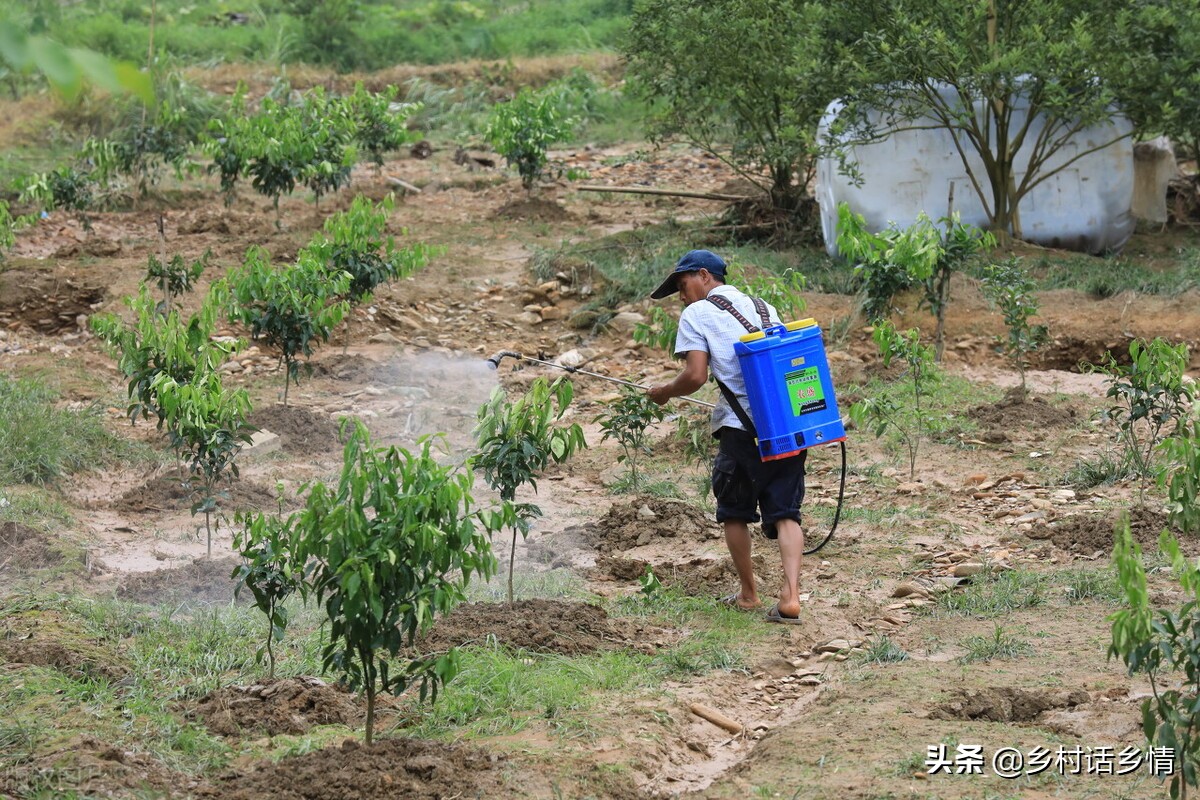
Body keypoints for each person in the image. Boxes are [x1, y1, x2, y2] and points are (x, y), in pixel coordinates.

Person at [646, 249, 807, 624]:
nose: (681, 296)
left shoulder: (697, 314)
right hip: (786, 424)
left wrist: (664, 392)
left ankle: (749, 595)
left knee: (734, 512)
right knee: (786, 513)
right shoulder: (763, 306)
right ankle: (792, 596)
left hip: (740, 431)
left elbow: (696, 376)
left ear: (704, 275)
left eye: (683, 285)